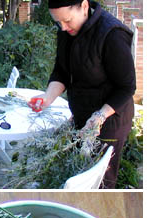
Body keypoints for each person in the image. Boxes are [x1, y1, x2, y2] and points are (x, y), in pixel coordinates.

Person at [28, 0, 136, 188]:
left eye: (67, 20)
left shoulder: (112, 35)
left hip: (110, 121)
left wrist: (99, 116)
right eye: (58, 22)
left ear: (84, 6)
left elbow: (126, 87)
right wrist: (47, 98)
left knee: (100, 180)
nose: (62, 27)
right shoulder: (66, 30)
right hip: (82, 114)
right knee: (79, 172)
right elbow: (61, 71)